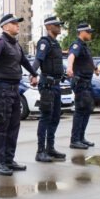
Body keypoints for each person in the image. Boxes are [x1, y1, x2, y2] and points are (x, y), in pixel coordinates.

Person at [0, 14, 39, 175]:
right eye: (14, 23)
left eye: (17, 23)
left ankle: (9, 159)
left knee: (14, 125)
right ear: (5, 26)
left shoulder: (16, 45)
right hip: (3, 88)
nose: (17, 26)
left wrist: (34, 74)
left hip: (15, 89)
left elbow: (25, 62)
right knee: (2, 126)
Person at [32, 16, 67, 162]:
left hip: (56, 85)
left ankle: (50, 148)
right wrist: (33, 74)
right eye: (56, 25)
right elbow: (38, 60)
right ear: (48, 27)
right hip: (47, 85)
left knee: (55, 117)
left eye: (59, 25)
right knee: (46, 117)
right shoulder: (44, 42)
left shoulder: (56, 43)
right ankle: (40, 151)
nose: (59, 27)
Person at [66, 23, 96, 149]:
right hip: (80, 82)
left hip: (87, 82)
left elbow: (86, 61)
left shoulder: (84, 46)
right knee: (80, 110)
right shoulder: (77, 44)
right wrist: (69, 67)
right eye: (88, 32)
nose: (90, 34)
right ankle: (75, 140)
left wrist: (94, 68)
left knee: (87, 109)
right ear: (81, 32)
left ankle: (81, 137)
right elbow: (71, 55)